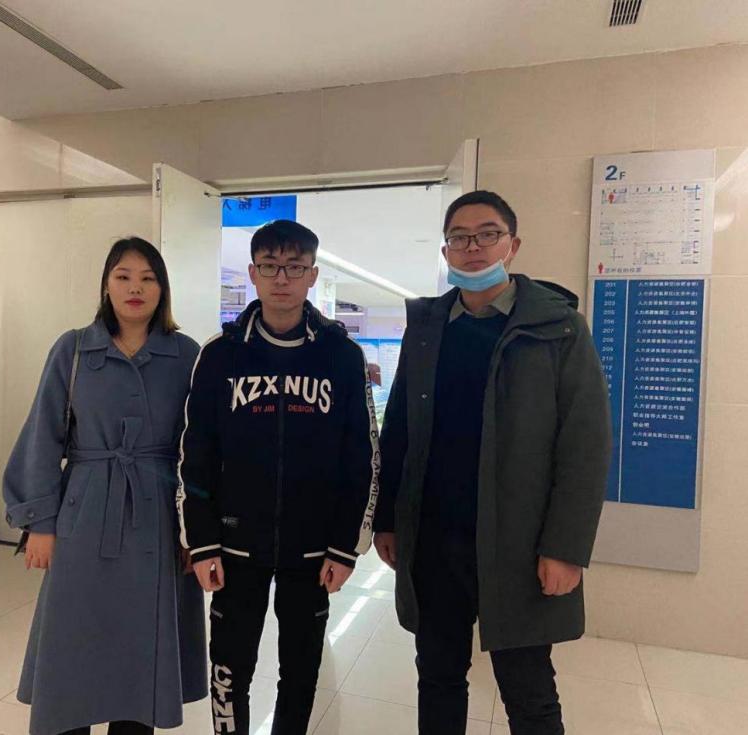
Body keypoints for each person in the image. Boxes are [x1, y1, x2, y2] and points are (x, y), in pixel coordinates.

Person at [374, 191, 611, 735]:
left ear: (513, 245)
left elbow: (585, 446)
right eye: (459, 237)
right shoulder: (428, 327)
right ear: (446, 251)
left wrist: (566, 547)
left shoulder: (558, 328)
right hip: (435, 540)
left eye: (488, 234)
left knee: (528, 690)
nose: (473, 247)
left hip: (518, 544)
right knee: (438, 677)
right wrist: (388, 518)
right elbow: (400, 428)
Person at [177, 220, 379, 735]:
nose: (281, 278)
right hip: (233, 546)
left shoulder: (341, 356)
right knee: (229, 670)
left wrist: (345, 547)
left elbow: (360, 458)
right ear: (252, 273)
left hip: (312, 550)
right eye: (270, 266)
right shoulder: (220, 355)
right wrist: (201, 543)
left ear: (312, 274)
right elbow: (195, 455)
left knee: (302, 671)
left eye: (294, 267)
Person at [3, 238, 208, 735]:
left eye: (148, 278)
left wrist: (196, 534)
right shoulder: (74, 348)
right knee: (74, 638)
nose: (136, 287)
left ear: (163, 288)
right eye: (123, 276)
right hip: (84, 512)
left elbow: (200, 448)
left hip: (158, 517)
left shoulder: (186, 354)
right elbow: (43, 435)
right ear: (106, 285)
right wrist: (40, 523)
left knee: (141, 648)